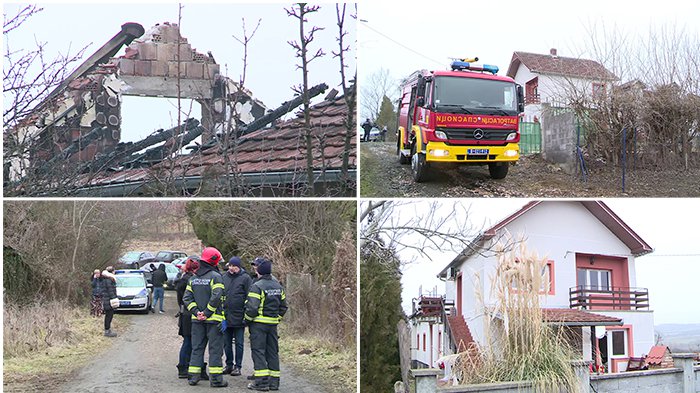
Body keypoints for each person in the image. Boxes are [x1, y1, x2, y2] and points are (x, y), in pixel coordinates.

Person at [183, 247, 228, 388]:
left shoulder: (193, 278)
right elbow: (216, 296)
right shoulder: (216, 277)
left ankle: (193, 377)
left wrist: (197, 313)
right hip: (214, 320)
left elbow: (187, 298)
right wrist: (207, 313)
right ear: (214, 261)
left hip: (197, 321)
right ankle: (216, 380)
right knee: (215, 350)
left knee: (197, 348)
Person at [245, 257, 288, 391]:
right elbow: (283, 307)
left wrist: (246, 320)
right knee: (272, 352)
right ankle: (274, 383)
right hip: (272, 325)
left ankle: (261, 383)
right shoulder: (278, 286)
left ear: (259, 271)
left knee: (258, 352)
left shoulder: (256, 286)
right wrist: (277, 319)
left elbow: (252, 309)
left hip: (258, 325)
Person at [175, 257, 205, 380]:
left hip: (186, 314)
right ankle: (185, 366)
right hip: (189, 315)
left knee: (189, 342)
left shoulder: (184, 279)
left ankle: (185, 366)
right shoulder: (190, 280)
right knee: (190, 342)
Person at [222, 256, 252, 376]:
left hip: (240, 316)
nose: (232, 268)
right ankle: (229, 365)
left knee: (239, 343)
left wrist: (246, 314)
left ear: (239, 267)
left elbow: (249, 297)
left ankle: (238, 366)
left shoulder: (245, 278)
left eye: (234, 266)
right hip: (226, 316)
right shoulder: (224, 278)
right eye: (230, 266)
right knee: (226, 343)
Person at [100, 266, 118, 337]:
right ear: (112, 272)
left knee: (108, 315)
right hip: (108, 300)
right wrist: (114, 299)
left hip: (106, 299)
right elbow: (111, 291)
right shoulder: (109, 280)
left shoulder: (106, 279)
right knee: (109, 315)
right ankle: (107, 331)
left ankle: (108, 329)